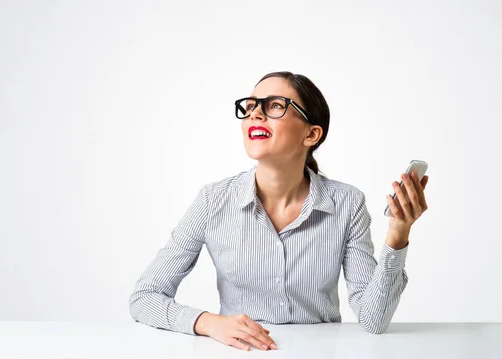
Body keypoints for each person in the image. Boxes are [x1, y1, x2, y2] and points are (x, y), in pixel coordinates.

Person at [128, 71, 429, 351]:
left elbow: (373, 320)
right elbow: (144, 298)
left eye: (274, 106)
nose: (255, 113)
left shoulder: (348, 204)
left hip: (320, 354)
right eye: (250, 106)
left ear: (311, 135)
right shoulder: (212, 201)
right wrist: (208, 323)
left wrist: (398, 234)